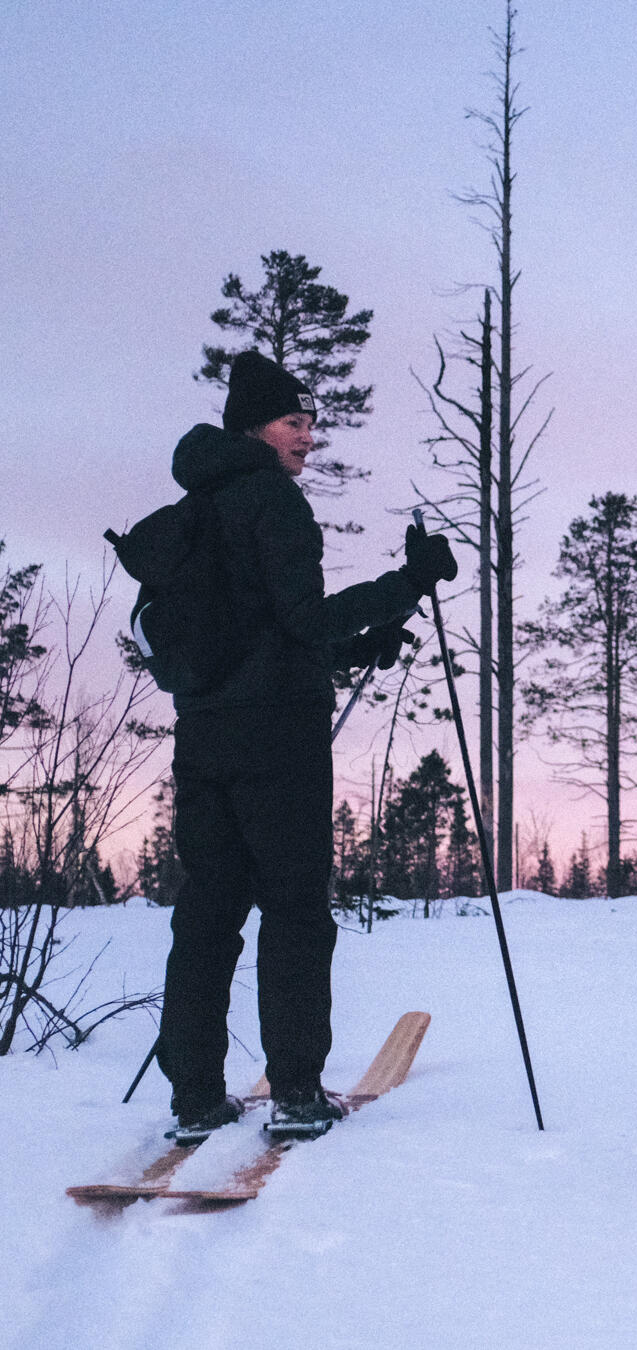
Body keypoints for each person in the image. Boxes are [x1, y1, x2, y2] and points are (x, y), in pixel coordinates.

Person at [156, 349, 456, 1137]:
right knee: (294, 909)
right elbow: (302, 620)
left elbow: (257, 633)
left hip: (204, 734)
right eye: (294, 421)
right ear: (256, 428)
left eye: (311, 423)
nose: (308, 437)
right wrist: (408, 583)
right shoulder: (272, 499)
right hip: (277, 741)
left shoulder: (197, 506)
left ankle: (194, 1096)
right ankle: (295, 1093)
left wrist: (356, 647)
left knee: (208, 910)